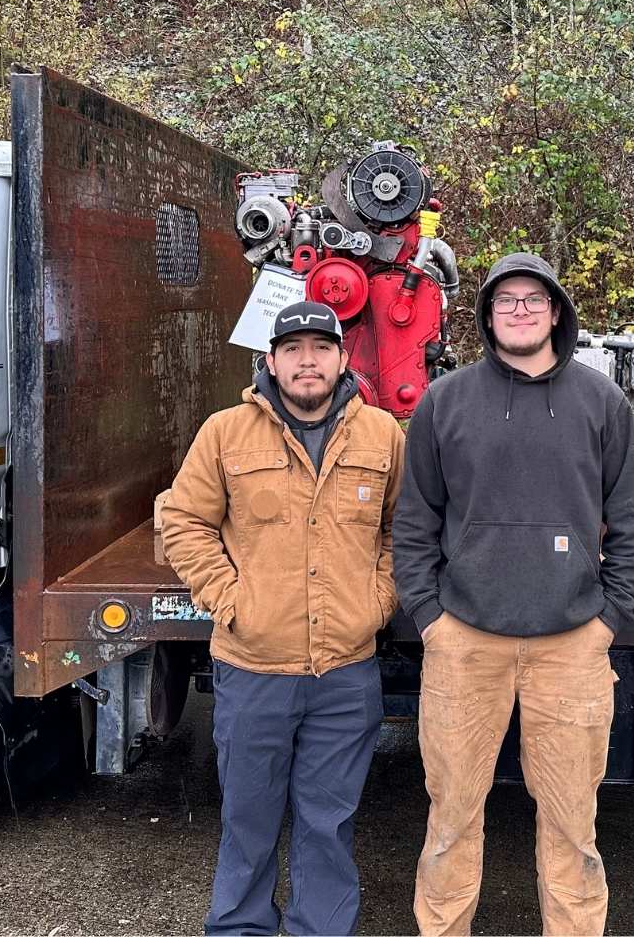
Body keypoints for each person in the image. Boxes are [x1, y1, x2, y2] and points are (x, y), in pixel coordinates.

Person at [393, 252, 634, 936]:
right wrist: (430, 619)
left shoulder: (601, 403)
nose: (519, 310)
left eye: (533, 299)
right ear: (486, 314)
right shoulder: (445, 404)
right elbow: (413, 524)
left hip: (570, 647)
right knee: (450, 819)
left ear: (557, 312)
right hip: (464, 645)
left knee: (572, 825)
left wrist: (603, 626)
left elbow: (631, 524)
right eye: (505, 299)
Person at [161, 300, 406, 936]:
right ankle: (241, 927)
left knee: (328, 822)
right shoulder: (225, 433)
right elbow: (184, 521)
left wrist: (378, 601)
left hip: (346, 674)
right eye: (292, 349)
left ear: (343, 357)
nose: (307, 361)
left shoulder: (382, 435)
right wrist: (227, 595)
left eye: (320, 348)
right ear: (271, 360)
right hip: (253, 667)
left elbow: (403, 531)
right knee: (249, 818)